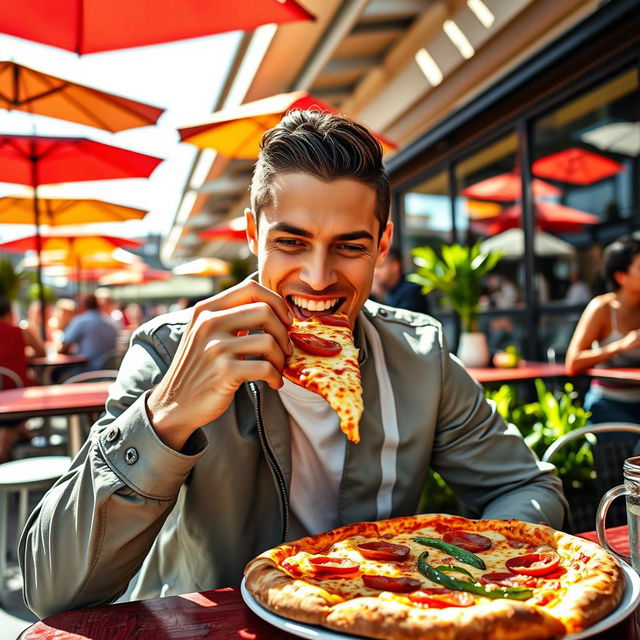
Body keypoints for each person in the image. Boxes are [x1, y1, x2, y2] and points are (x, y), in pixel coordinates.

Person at [20, 110, 566, 618]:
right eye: (291, 242)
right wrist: (167, 413)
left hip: (377, 621)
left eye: (349, 247)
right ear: (254, 236)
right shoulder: (169, 353)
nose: (319, 276)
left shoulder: (419, 357)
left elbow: (530, 489)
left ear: (382, 245)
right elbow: (51, 588)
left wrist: (444, 561)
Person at [566, 236, 640, 423]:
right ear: (620, 276)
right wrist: (620, 345)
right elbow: (573, 362)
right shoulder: (602, 308)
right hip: (609, 404)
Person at [0, 296, 45, 462]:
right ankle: (5, 449)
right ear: (10, 313)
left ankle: (21, 433)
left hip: (6, 393)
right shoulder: (20, 332)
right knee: (36, 387)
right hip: (19, 390)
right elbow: (41, 353)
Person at [58, 293, 119, 371]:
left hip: (85, 371)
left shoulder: (80, 321)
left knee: (55, 374)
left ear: (83, 305)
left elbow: (64, 347)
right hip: (110, 371)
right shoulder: (112, 322)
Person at [370, 246, 431, 314]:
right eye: (373, 267)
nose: (375, 273)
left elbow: (397, 321)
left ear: (395, 266)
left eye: (380, 267)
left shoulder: (411, 290)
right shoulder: (389, 291)